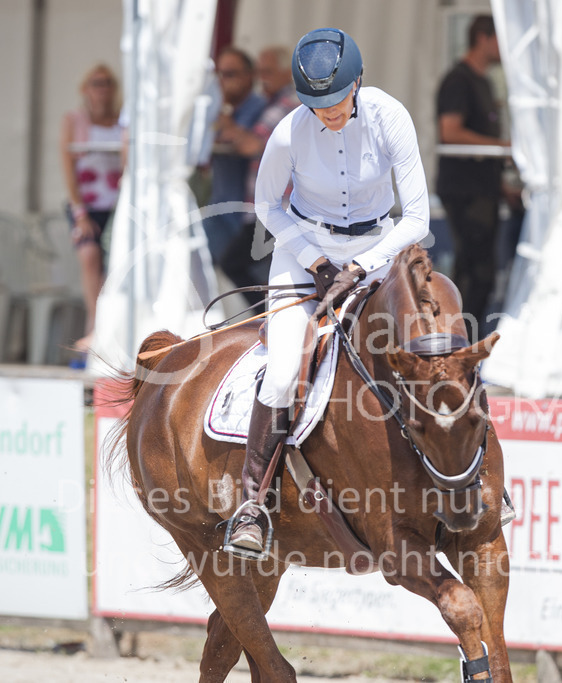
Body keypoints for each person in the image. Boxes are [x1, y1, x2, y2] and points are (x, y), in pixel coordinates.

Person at [224, 27, 431, 556]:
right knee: (285, 368)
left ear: (357, 81)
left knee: (430, 347)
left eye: (337, 101)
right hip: (303, 251)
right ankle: (252, 505)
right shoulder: (290, 132)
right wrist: (316, 262)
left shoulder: (390, 118)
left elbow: (418, 218)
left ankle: (470, 486)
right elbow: (268, 205)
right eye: (317, 104)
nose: (328, 113)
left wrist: (360, 265)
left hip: (377, 246)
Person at [435, 14, 510, 338]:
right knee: (476, 272)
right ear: (483, 37)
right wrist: (500, 146)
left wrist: (503, 185)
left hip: (485, 189)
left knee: (478, 271)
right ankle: (458, 344)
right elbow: (449, 132)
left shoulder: (484, 81)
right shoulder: (458, 80)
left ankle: (462, 344)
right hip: (466, 191)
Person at [215, 45, 300, 306]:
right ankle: (272, 314)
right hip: (271, 208)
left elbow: (251, 144)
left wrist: (225, 117)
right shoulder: (274, 104)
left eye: (268, 71)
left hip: (277, 208)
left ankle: (267, 314)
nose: (262, 77)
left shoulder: (285, 105)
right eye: (260, 71)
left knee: (233, 263)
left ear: (287, 73)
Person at [59, 63, 124, 354]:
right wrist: (79, 211)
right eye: (97, 83)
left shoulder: (121, 121)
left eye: (108, 82)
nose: (103, 88)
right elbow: (67, 166)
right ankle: (95, 324)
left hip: (115, 204)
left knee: (113, 264)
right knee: (88, 256)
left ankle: (102, 327)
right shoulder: (74, 120)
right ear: (86, 89)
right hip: (86, 203)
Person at [202, 48, 267, 278]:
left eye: (230, 74)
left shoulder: (259, 107)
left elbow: (247, 144)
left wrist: (222, 121)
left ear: (249, 75)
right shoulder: (224, 109)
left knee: (244, 274)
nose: (222, 81)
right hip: (221, 208)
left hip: (246, 213)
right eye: (219, 74)